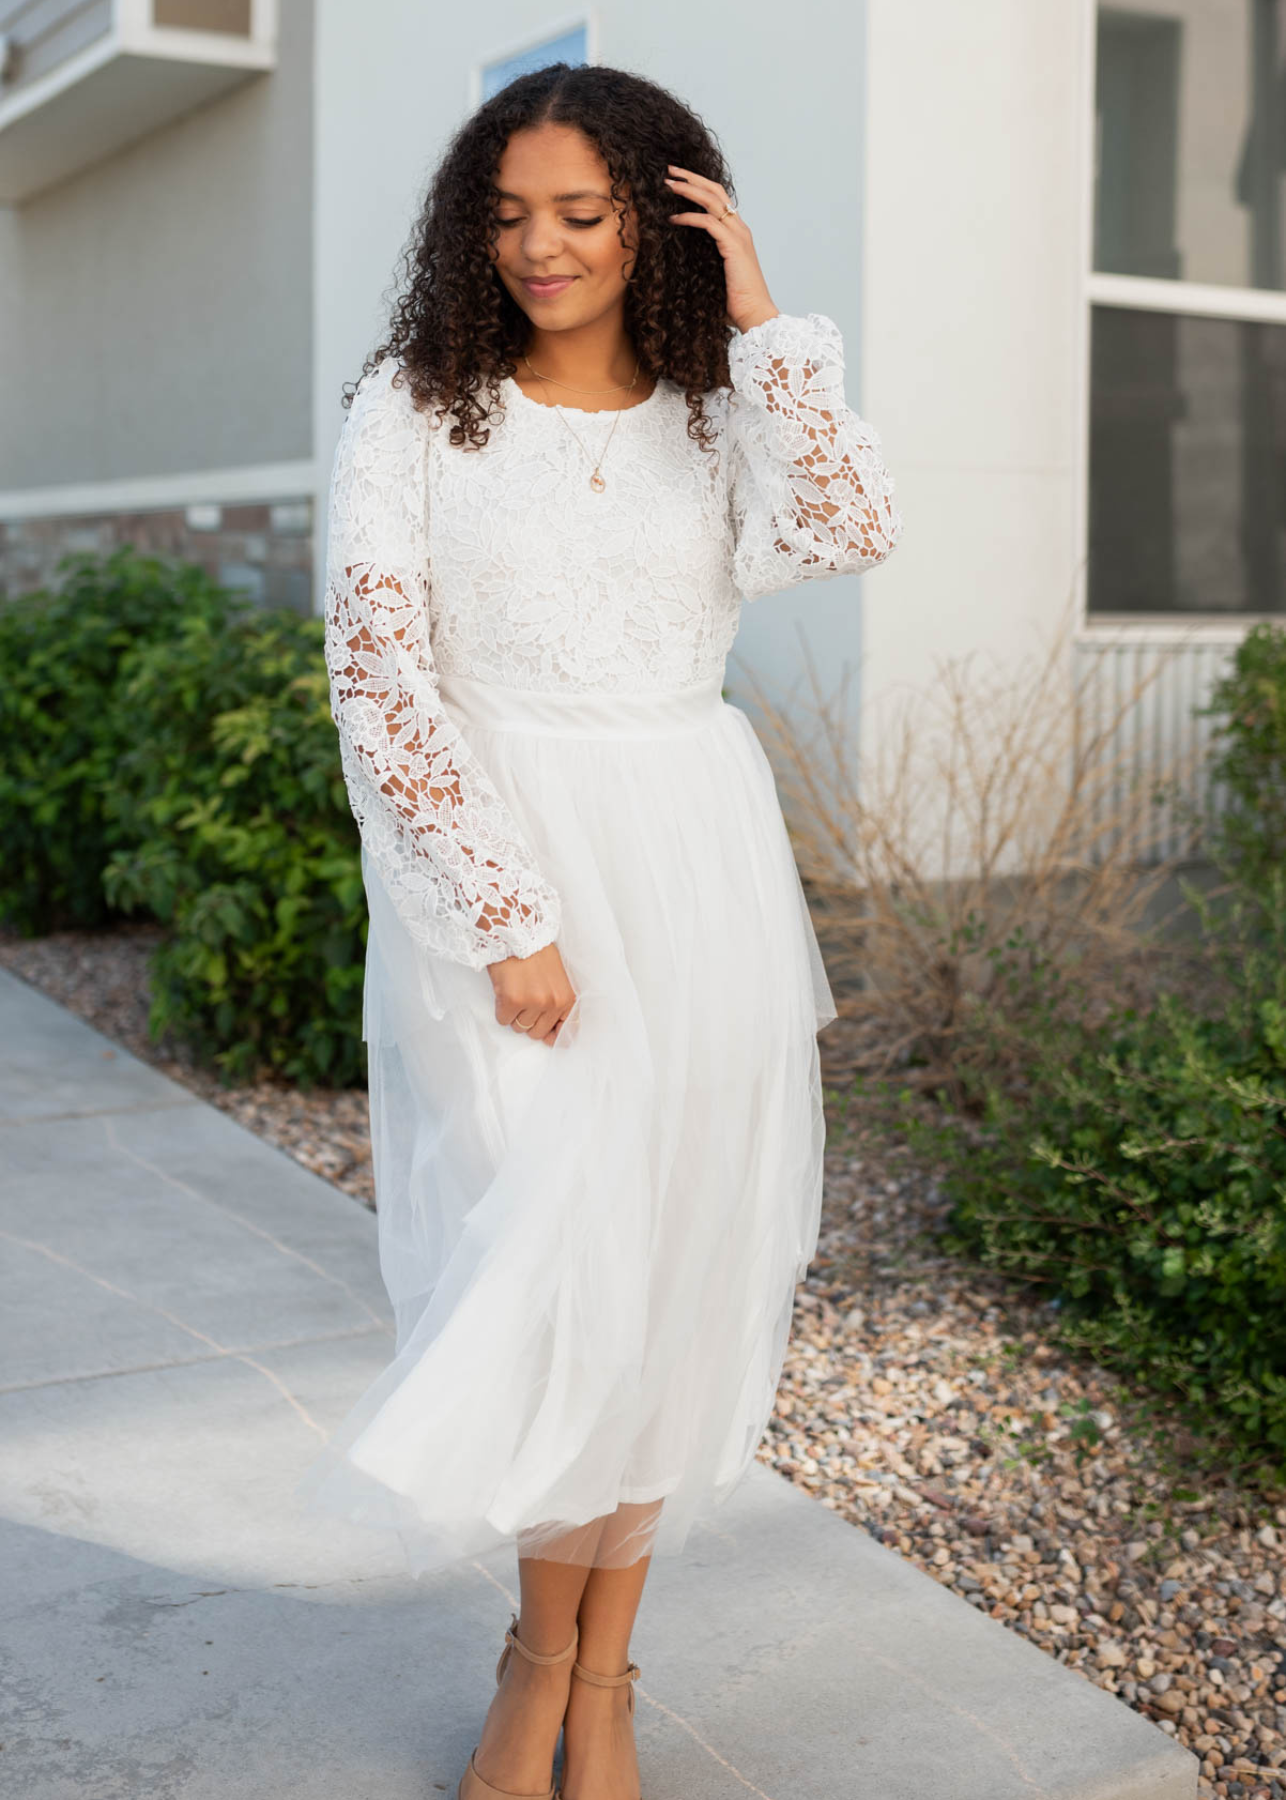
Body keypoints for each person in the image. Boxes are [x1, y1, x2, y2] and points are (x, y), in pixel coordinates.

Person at [294, 59, 903, 1800]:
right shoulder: (416, 406)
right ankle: (534, 1654)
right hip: (503, 878)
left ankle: (599, 1676)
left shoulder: (718, 420)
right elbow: (378, 672)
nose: (540, 247)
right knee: (555, 1280)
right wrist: (504, 914)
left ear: (657, 213)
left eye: (579, 210)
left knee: (671, 1280)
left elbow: (848, 524)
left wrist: (769, 321)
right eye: (506, 216)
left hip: (695, 862)